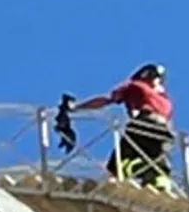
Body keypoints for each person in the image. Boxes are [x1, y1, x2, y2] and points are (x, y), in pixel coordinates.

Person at [68, 63, 176, 192]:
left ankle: (114, 182)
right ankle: (159, 184)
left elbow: (105, 100)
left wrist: (76, 108)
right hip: (165, 132)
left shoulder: (135, 85)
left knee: (117, 164)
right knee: (157, 163)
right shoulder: (166, 101)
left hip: (143, 125)